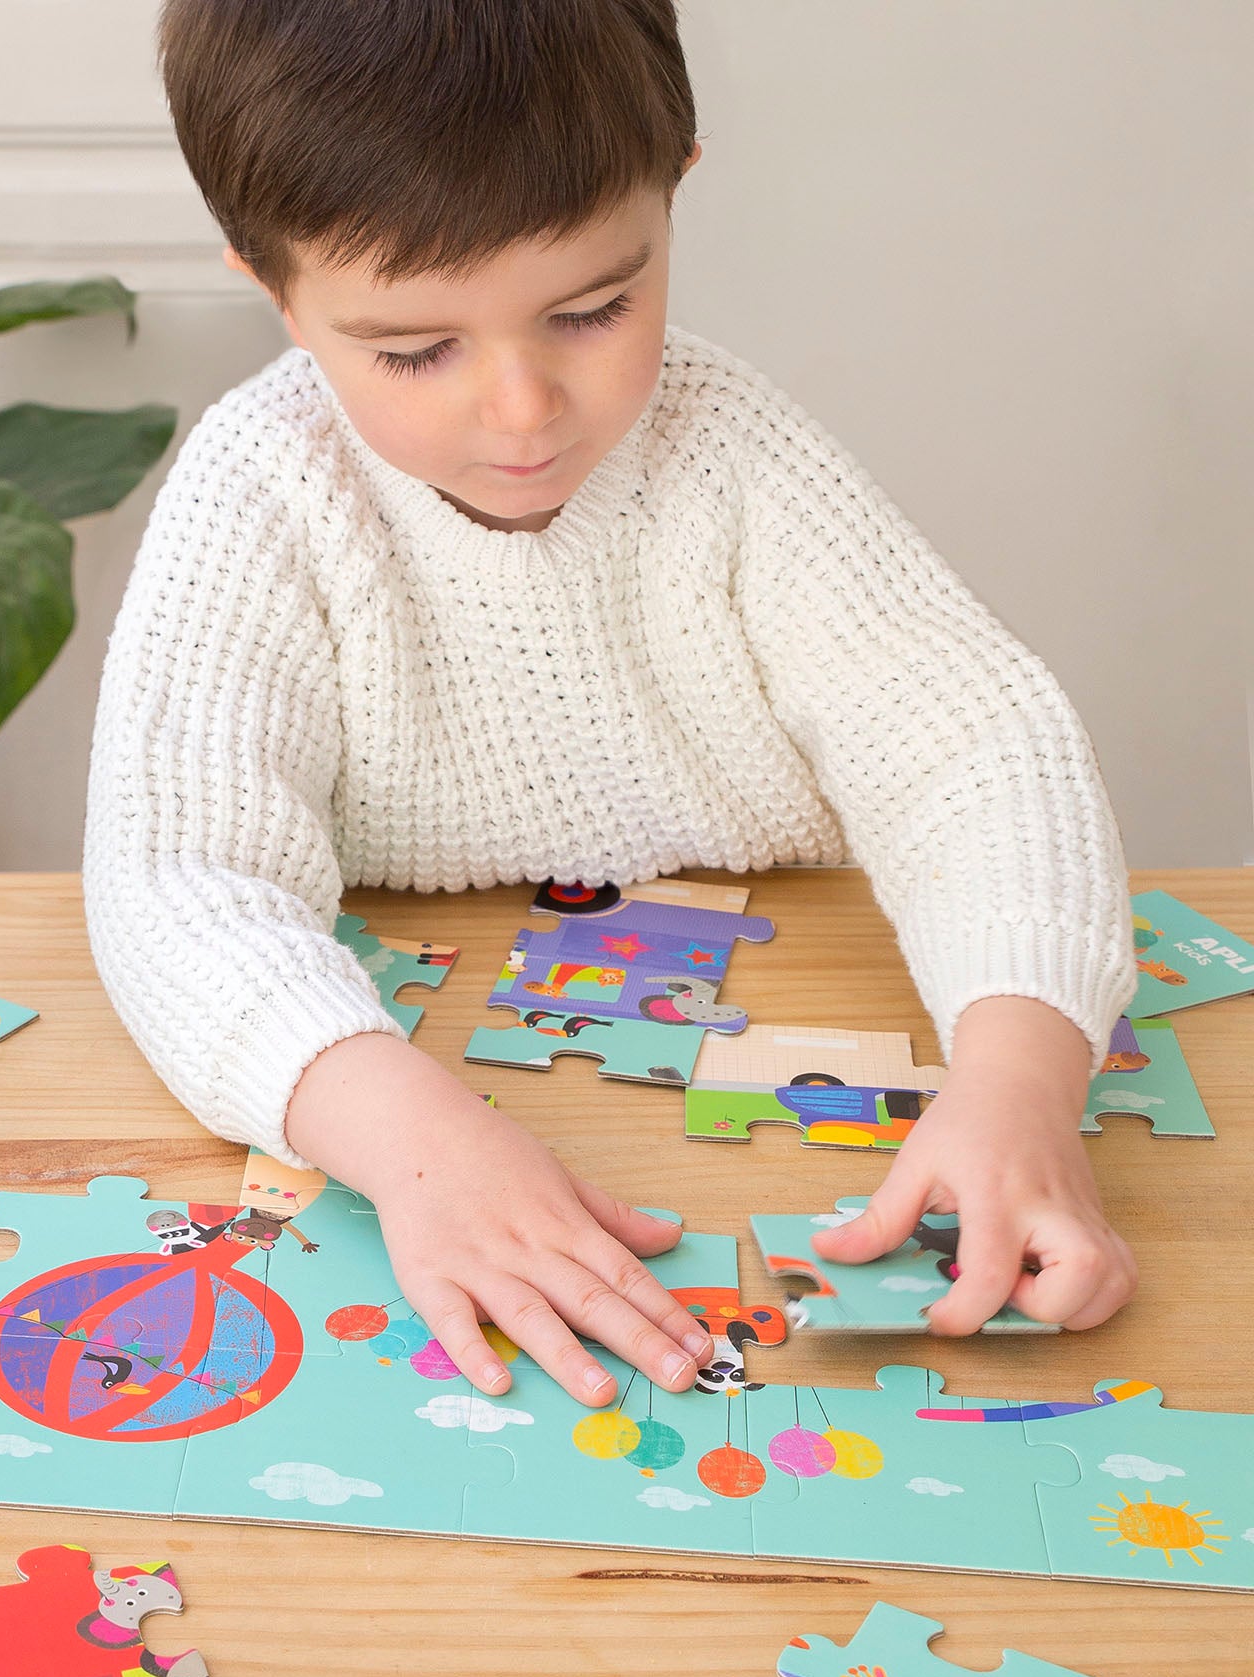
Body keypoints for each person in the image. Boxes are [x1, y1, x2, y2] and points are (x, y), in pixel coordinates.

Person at [83, 0, 1137, 1409]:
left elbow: (977, 749)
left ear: (675, 191)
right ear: (272, 288)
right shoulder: (258, 489)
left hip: (786, 1006)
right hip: (438, 1068)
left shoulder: (735, 451)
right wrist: (412, 1145)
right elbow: (174, 883)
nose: (524, 407)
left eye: (590, 311)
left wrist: (1018, 1082)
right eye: (415, 350)